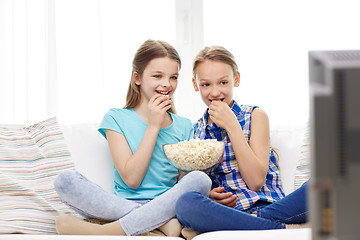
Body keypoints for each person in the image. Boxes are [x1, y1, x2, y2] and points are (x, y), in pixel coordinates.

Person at [54, 39, 212, 236]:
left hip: (166, 204)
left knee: (200, 180)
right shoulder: (116, 118)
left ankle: (109, 230)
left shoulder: (184, 125)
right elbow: (132, 179)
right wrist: (153, 125)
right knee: (65, 180)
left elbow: (183, 184)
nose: (166, 84)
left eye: (173, 77)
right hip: (123, 204)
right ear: (137, 78)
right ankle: (157, 224)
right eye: (157, 76)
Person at [175, 45, 308, 233]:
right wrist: (209, 196)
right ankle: (276, 228)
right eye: (206, 84)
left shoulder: (255, 116)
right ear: (195, 85)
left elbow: (255, 182)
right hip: (227, 213)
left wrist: (232, 125)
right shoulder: (195, 132)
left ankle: (256, 222)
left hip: (271, 209)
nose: (215, 92)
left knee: (328, 184)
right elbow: (192, 184)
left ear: (236, 80)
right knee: (185, 203)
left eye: (223, 82)